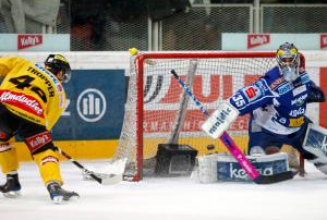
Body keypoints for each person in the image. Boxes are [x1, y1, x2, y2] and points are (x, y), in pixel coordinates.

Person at [203, 42, 326, 175]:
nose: (288, 64)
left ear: (297, 59)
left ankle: (292, 157)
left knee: (324, 155)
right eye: (284, 60)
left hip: (299, 128)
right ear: (279, 61)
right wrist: (220, 116)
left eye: (291, 60)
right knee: (261, 165)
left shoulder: (303, 76)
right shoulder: (270, 83)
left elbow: (316, 94)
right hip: (267, 130)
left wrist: (312, 93)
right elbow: (243, 97)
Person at [0, 54, 79, 204]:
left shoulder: (22, 63)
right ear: (61, 72)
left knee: (2, 139)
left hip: (3, 106)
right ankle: (54, 186)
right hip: (32, 117)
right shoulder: (60, 92)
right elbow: (47, 124)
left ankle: (12, 180)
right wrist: (43, 142)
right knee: (44, 151)